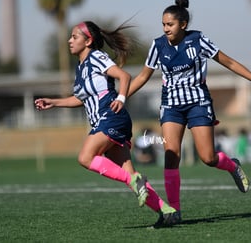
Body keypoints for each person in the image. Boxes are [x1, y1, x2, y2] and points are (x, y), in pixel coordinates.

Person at [128, 0, 251, 222]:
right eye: (163, 24)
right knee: (171, 155)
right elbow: (143, 77)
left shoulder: (198, 40)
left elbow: (229, 62)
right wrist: (120, 96)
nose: (165, 29)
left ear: (183, 24)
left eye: (170, 24)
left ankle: (232, 165)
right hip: (171, 106)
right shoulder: (158, 46)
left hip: (198, 103)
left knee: (207, 157)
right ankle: (174, 212)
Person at [34, 20, 179, 227]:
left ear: (88, 41)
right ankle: (166, 212)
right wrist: (53, 102)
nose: (69, 40)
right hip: (104, 121)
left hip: (110, 117)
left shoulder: (96, 57)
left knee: (85, 158)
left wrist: (120, 98)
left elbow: (124, 76)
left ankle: (135, 182)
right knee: (130, 174)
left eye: (74, 37)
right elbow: (80, 99)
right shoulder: (81, 67)